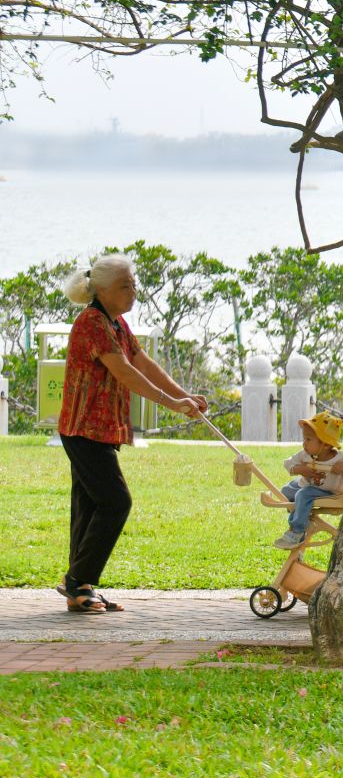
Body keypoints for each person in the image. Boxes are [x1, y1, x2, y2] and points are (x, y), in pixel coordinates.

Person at [56, 254, 208, 614]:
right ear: (104, 290)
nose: (133, 291)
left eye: (134, 284)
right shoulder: (92, 323)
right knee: (115, 502)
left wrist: (183, 394)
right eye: (125, 285)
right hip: (83, 428)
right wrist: (172, 402)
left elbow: (143, 362)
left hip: (100, 429)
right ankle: (79, 580)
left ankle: (79, 584)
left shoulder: (116, 322)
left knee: (91, 505)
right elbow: (124, 373)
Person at [273, 413, 343, 548]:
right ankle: (303, 515)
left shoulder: (340, 459)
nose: (304, 443)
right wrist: (300, 469)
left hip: (329, 492)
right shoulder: (306, 455)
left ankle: (297, 531)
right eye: (304, 438)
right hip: (306, 485)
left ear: (326, 445)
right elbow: (288, 464)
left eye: (308, 439)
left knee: (302, 495)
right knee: (285, 491)